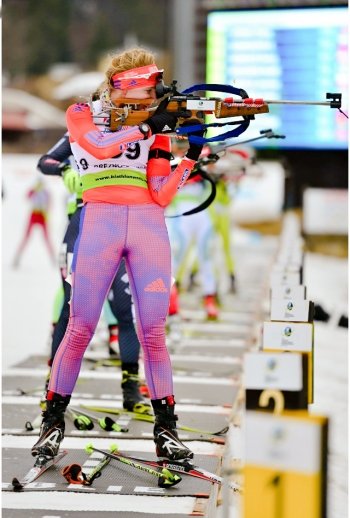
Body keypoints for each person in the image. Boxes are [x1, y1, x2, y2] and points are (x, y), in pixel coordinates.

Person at [32, 47, 203, 462]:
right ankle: (52, 423)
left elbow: (161, 194)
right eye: (141, 97)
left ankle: (167, 430)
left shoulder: (156, 128)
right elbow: (100, 146)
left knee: (154, 334)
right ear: (116, 87)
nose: (148, 105)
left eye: (151, 98)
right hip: (99, 222)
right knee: (80, 327)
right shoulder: (82, 113)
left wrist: (191, 156)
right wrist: (146, 129)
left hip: (147, 226)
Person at [37, 133, 150, 414]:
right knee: (70, 308)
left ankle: (131, 388)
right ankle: (53, 386)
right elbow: (45, 161)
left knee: (126, 310)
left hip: (124, 225)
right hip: (83, 225)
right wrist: (66, 169)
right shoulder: (86, 126)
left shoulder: (142, 128)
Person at [12, 177, 56, 267]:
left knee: (47, 238)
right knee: (26, 237)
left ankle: (53, 259)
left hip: (42, 215)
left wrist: (47, 215)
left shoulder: (46, 192)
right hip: (34, 214)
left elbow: (49, 204)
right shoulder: (34, 190)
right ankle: (17, 258)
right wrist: (33, 190)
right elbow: (27, 196)